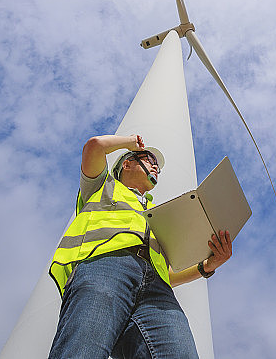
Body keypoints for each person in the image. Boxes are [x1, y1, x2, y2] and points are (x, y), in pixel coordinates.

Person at [48, 133, 233, 359]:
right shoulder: (102, 186)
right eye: (149, 160)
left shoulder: (156, 215)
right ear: (126, 164)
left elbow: (168, 273)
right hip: (106, 267)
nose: (156, 167)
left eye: (157, 166)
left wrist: (207, 266)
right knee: (83, 349)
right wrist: (129, 142)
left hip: (158, 288)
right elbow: (94, 146)